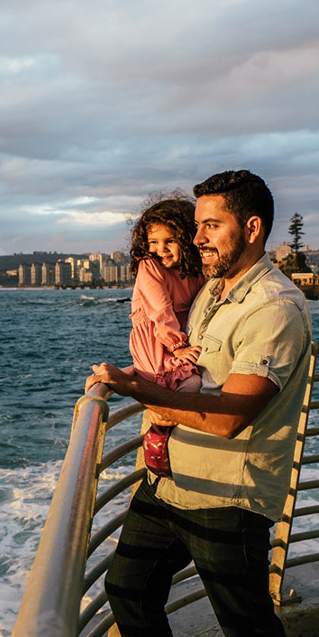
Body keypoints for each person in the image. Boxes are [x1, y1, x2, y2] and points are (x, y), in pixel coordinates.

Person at [87, 170, 312, 637]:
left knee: (245, 625)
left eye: (211, 225)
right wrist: (139, 372)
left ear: (251, 229)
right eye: (198, 225)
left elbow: (229, 417)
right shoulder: (212, 286)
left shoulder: (274, 309)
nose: (198, 237)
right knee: (128, 589)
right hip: (167, 480)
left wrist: (139, 391)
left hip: (226, 495)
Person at [126, 195, 205, 476]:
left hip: (177, 336)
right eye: (153, 243)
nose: (161, 249)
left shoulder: (196, 269)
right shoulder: (150, 266)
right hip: (157, 339)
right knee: (171, 392)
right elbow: (160, 309)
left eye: (169, 241)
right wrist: (177, 346)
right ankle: (157, 435)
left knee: (192, 385)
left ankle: (171, 442)